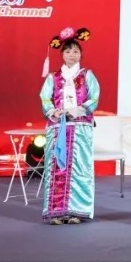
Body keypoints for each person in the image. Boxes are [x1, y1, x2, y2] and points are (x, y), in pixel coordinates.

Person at [39, 26, 98, 225]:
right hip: (58, 128)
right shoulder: (53, 77)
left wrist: (76, 110)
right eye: (68, 51)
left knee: (79, 169)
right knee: (56, 167)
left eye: (75, 51)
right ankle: (56, 211)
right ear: (62, 54)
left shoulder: (87, 75)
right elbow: (45, 98)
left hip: (80, 128)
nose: (72, 55)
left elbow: (94, 98)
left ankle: (77, 211)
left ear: (81, 54)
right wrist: (53, 111)